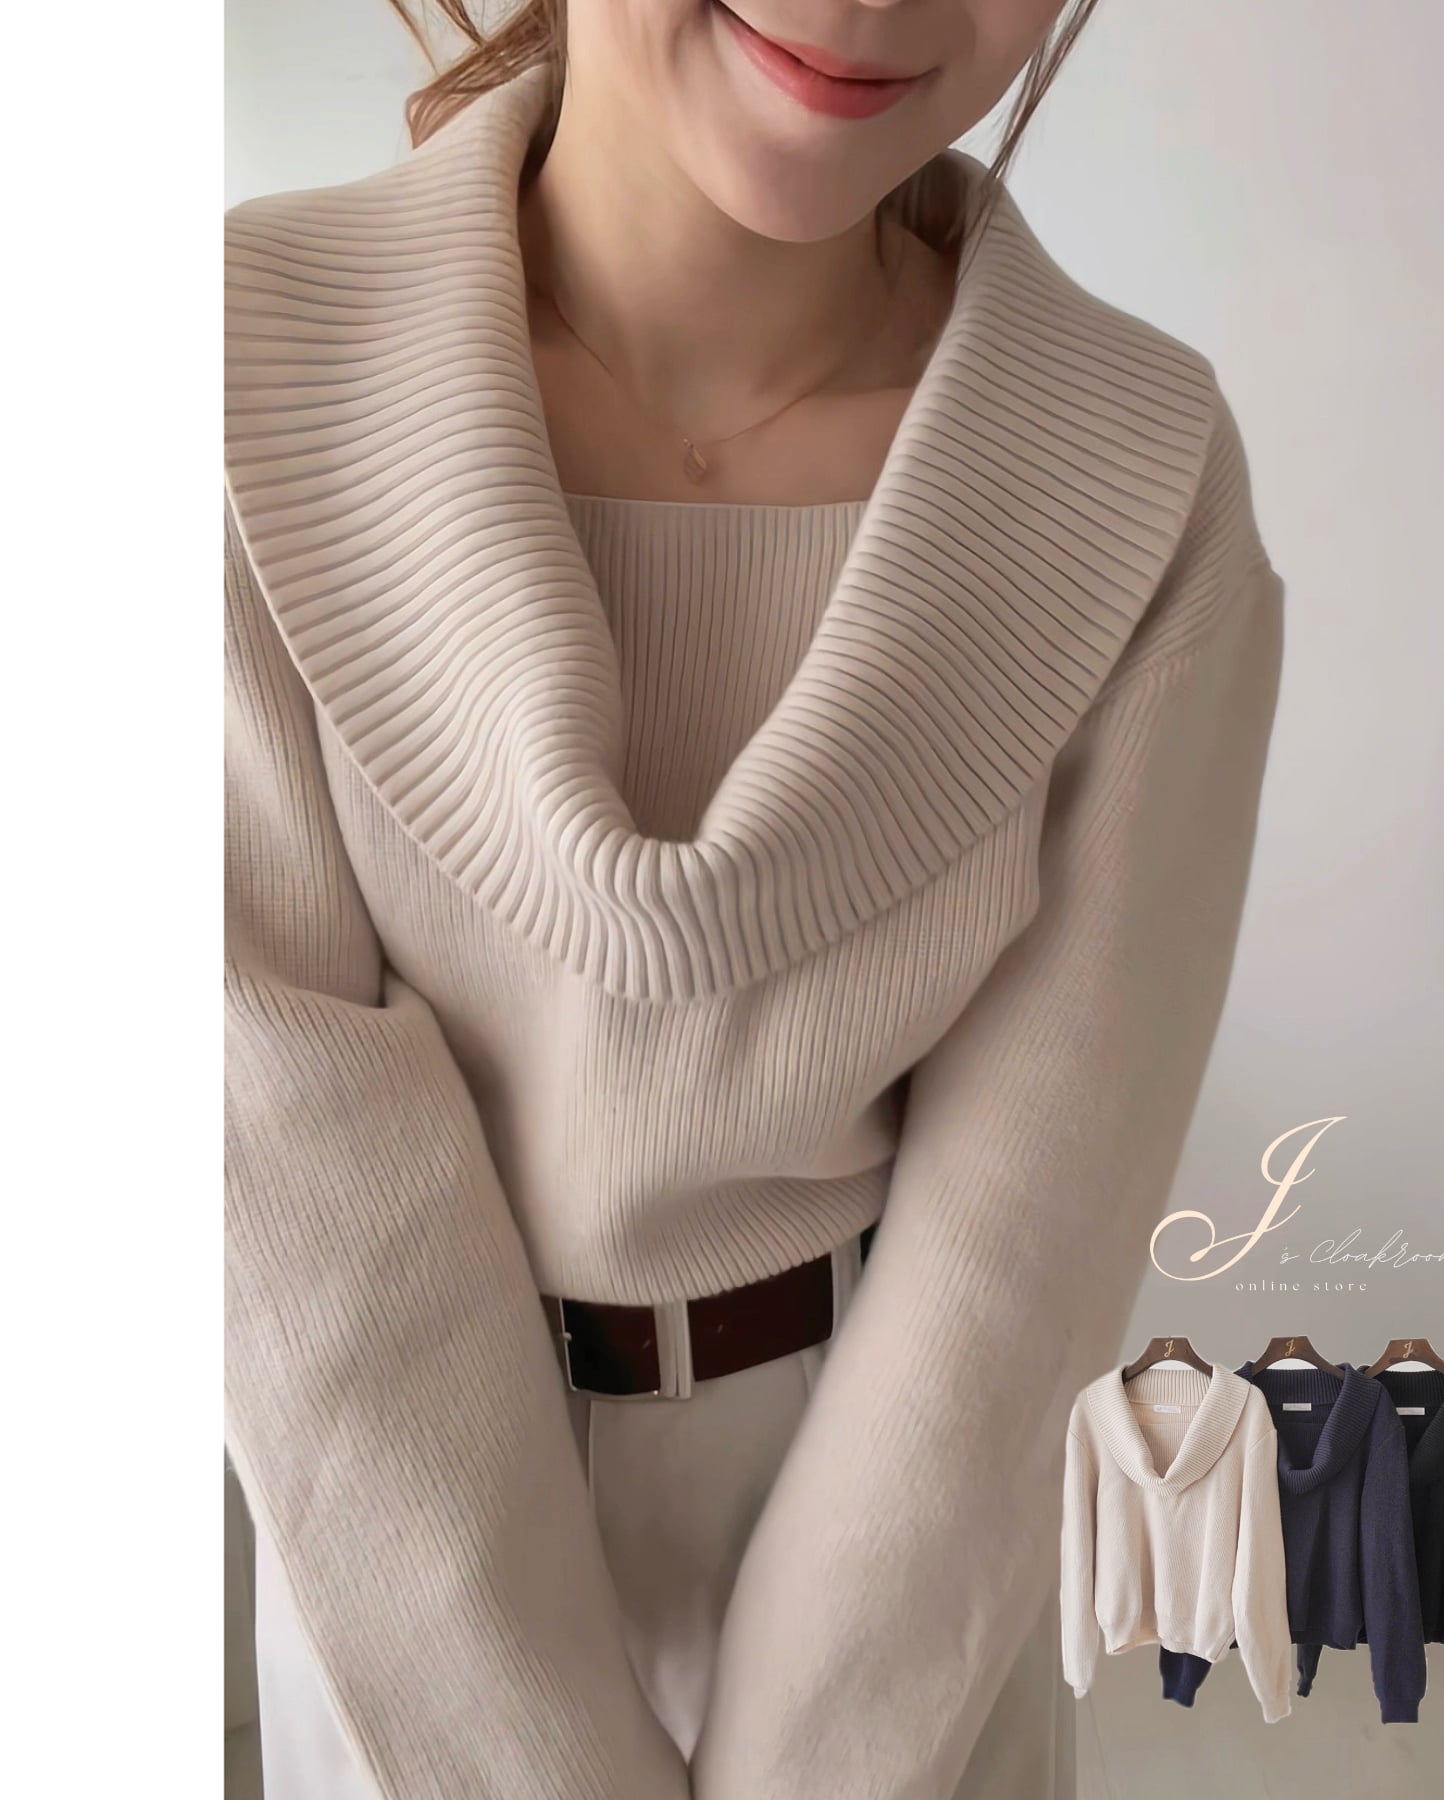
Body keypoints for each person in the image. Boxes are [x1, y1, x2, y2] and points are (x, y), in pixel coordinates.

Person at [222, 5, 1286, 1797]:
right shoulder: (234, 369)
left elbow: (1028, 1251)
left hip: (907, 1559)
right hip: (404, 1582)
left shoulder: (1135, 468)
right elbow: (289, 1196)